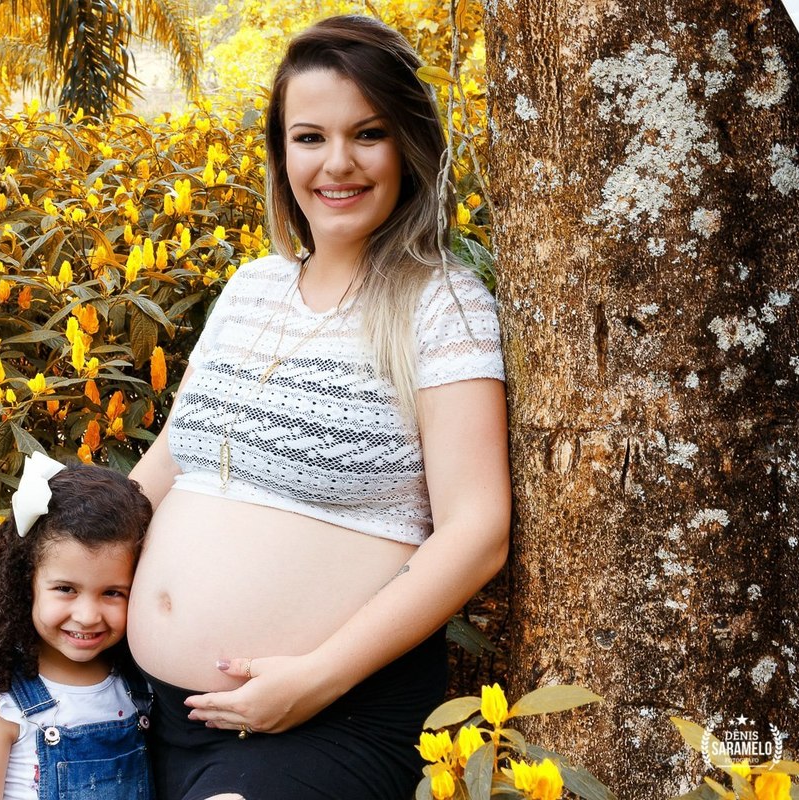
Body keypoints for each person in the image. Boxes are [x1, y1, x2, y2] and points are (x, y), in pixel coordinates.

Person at [126, 14, 511, 800]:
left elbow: (477, 533)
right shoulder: (251, 288)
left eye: (367, 134)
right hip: (147, 709)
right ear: (282, 153)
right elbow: (171, 459)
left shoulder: (442, 305)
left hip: (325, 720)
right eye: (309, 138)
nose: (338, 163)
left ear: (407, 143)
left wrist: (317, 679)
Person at [0, 453, 156, 800]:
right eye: (65, 589)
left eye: (112, 593)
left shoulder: (137, 686)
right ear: (25, 582)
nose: (88, 615)